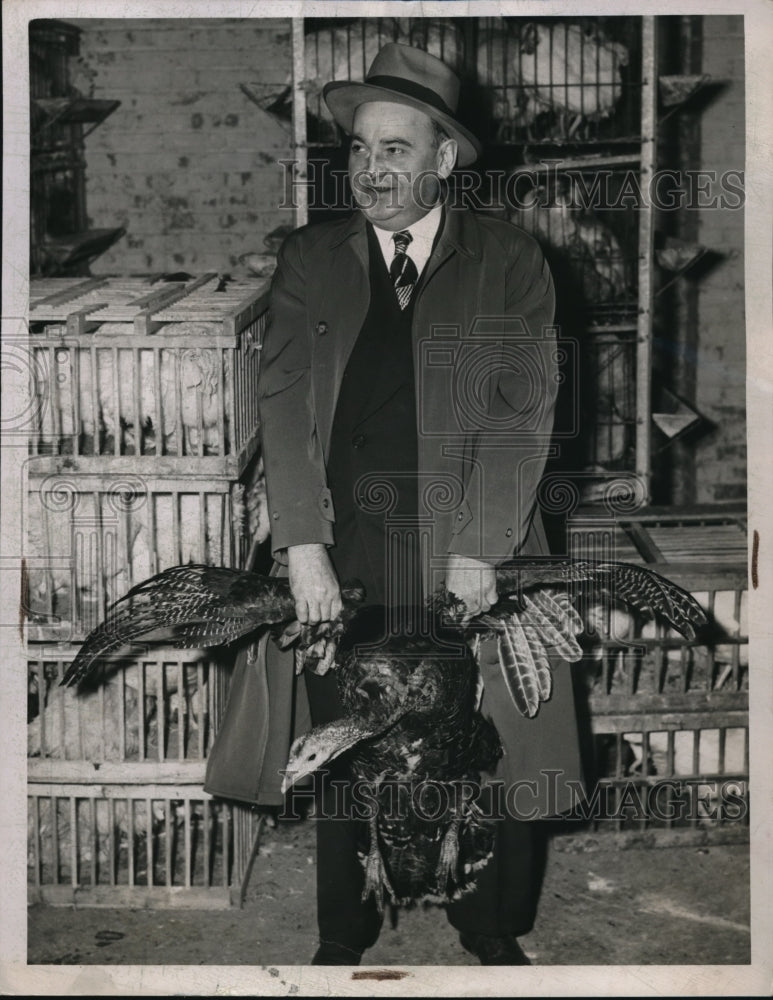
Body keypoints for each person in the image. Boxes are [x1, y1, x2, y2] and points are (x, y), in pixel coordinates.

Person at [204, 42, 583, 965]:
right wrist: (300, 546)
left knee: (487, 732)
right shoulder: (310, 259)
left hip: (471, 533)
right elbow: (283, 406)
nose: (371, 169)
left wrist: (482, 548)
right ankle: (344, 927)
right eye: (360, 149)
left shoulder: (507, 260)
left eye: (395, 150)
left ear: (444, 158)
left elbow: (521, 411)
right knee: (348, 732)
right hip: (352, 544)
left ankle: (488, 925)